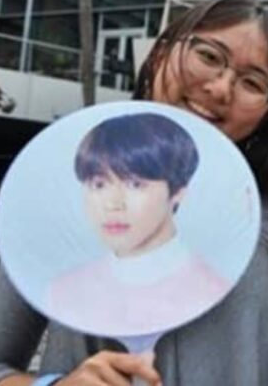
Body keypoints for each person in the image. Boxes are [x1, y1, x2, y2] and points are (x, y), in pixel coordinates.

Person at [0, 0, 268, 385]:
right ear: (161, 52)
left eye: (252, 83)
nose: (221, 89)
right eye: (208, 57)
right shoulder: (61, 196)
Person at [47, 113, 230, 337]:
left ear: (178, 193)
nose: (113, 203)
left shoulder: (213, 291)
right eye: (99, 184)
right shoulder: (65, 290)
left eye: (135, 184)